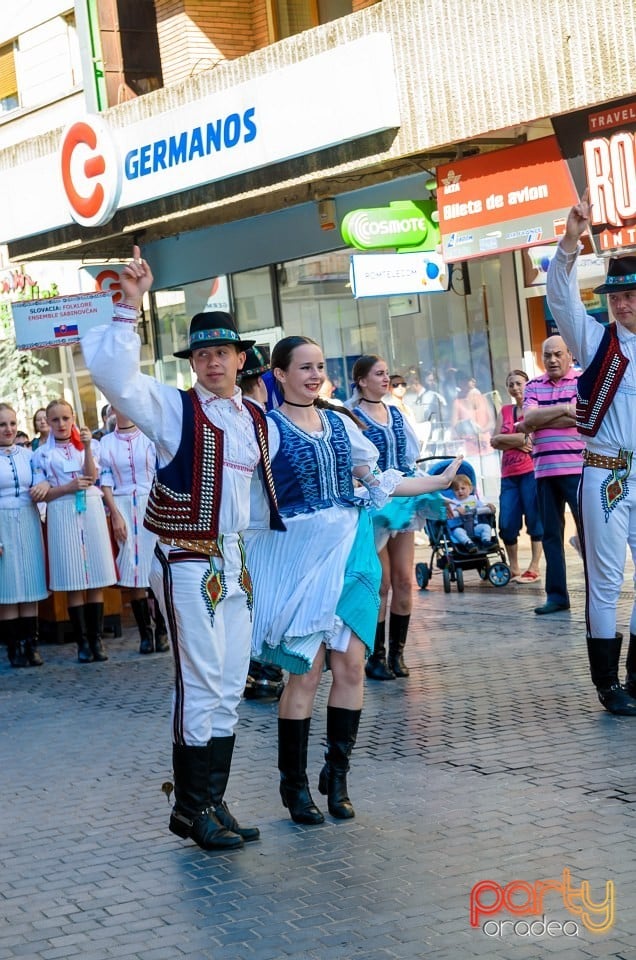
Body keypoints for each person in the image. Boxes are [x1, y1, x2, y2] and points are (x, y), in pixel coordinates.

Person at [81, 247, 284, 852]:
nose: (212, 361)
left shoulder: (254, 417)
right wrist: (129, 311)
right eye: (201, 353)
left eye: (222, 352)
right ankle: (190, 808)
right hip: (187, 556)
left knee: (228, 683)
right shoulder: (174, 408)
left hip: (234, 560)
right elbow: (116, 379)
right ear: (192, 362)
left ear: (241, 358)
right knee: (198, 682)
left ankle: (212, 800)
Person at [246, 335, 462, 825]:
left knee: (351, 669)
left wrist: (435, 482)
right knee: (305, 674)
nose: (314, 374)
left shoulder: (343, 425)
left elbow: (379, 480)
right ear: (279, 374)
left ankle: (337, 776)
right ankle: (294, 787)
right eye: (303, 367)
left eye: (319, 366)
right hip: (300, 560)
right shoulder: (266, 430)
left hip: (353, 553)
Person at [546, 190, 636, 716]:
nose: (621, 303)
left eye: (630, 295)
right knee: (604, 580)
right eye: (616, 295)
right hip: (605, 473)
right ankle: (607, 685)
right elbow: (561, 296)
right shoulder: (596, 340)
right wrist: (570, 240)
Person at [350, 355, 421, 681]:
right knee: (382, 582)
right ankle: (376, 656)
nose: (385, 379)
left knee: (405, 580)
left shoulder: (396, 413)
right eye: (378, 374)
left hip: (403, 501)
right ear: (362, 380)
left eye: (385, 374)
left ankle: (397, 653)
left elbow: (411, 455)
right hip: (374, 506)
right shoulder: (352, 415)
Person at [30, 399, 117, 662]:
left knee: (95, 577)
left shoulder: (88, 446)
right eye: (55, 420)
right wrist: (66, 488)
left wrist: (88, 446)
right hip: (62, 511)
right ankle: (81, 642)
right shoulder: (42, 454)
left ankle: (97, 640)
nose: (61, 424)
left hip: (89, 509)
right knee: (73, 578)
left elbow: (91, 477)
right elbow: (41, 493)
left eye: (65, 418)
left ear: (73, 418)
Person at [98, 407, 170, 656]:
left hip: (152, 502)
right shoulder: (106, 443)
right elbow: (105, 480)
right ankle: (145, 633)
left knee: (156, 567)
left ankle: (162, 629)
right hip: (123, 505)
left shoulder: (150, 437)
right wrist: (115, 514)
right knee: (133, 567)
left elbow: (162, 473)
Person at [521, 336, 584, 616]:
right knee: (550, 535)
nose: (553, 360)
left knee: (590, 533)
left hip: (579, 469)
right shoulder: (533, 385)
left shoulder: (582, 381)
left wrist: (540, 417)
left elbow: (582, 417)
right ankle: (557, 596)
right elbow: (529, 419)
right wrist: (563, 410)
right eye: (547, 355)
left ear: (569, 354)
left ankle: (598, 591)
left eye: (558, 354)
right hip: (544, 471)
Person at [238, 347, 285, 702]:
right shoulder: (265, 421)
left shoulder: (229, 418)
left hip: (238, 524)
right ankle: (267, 670)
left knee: (247, 598)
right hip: (264, 520)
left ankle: (251, 670)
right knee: (269, 597)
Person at [0, 403, 48, 667]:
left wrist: (44, 484)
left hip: (28, 518)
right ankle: (13, 648)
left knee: (30, 582)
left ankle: (32, 645)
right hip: (2, 520)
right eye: (2, 424)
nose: (8, 429)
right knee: (7, 585)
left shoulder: (29, 454)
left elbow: (44, 476)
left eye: (12, 423)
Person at [490, 370, 543, 582]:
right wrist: (520, 440)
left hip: (531, 471)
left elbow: (534, 439)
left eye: (519, 383)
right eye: (511, 384)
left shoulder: (534, 409)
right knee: (506, 522)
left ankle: (535, 565)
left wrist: (507, 439)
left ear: (527, 385)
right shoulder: (504, 410)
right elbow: (494, 441)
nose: (515, 388)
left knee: (535, 519)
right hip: (508, 475)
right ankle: (514, 566)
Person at [443, 474, 495, 553]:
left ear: (470, 489)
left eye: (463, 488)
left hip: (474, 528)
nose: (460, 491)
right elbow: (448, 511)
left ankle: (486, 541)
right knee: (457, 531)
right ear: (453, 491)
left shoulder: (473, 499)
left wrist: (488, 506)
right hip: (460, 527)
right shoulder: (453, 502)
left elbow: (482, 507)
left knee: (486, 527)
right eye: (456, 490)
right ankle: (469, 544)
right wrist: (456, 509)